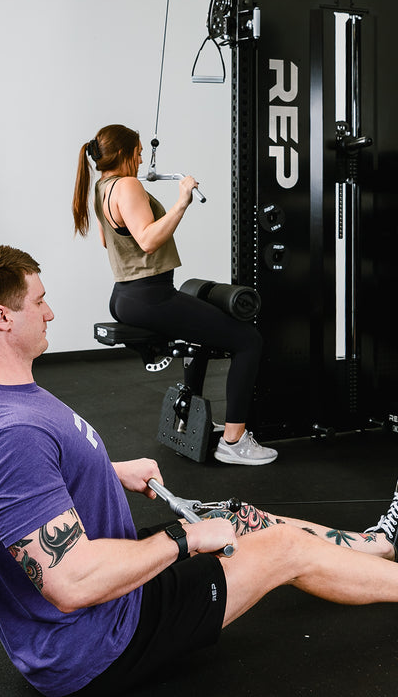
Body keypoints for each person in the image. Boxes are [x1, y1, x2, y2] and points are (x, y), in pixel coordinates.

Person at [0, 244, 398, 697]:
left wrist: (105, 470)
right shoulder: (9, 434)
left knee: (239, 515)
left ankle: (376, 546)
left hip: (103, 602)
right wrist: (183, 539)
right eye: (40, 301)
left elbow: (16, 490)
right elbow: (69, 582)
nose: (51, 311)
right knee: (282, 550)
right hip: (99, 640)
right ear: (2, 317)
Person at [72, 123, 276, 466]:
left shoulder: (102, 187)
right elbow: (148, 241)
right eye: (137, 153)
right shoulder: (127, 184)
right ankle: (234, 439)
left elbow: (110, 240)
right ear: (123, 154)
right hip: (150, 296)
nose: (140, 161)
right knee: (248, 340)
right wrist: (182, 201)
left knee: (203, 336)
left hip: (125, 295)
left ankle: (191, 419)